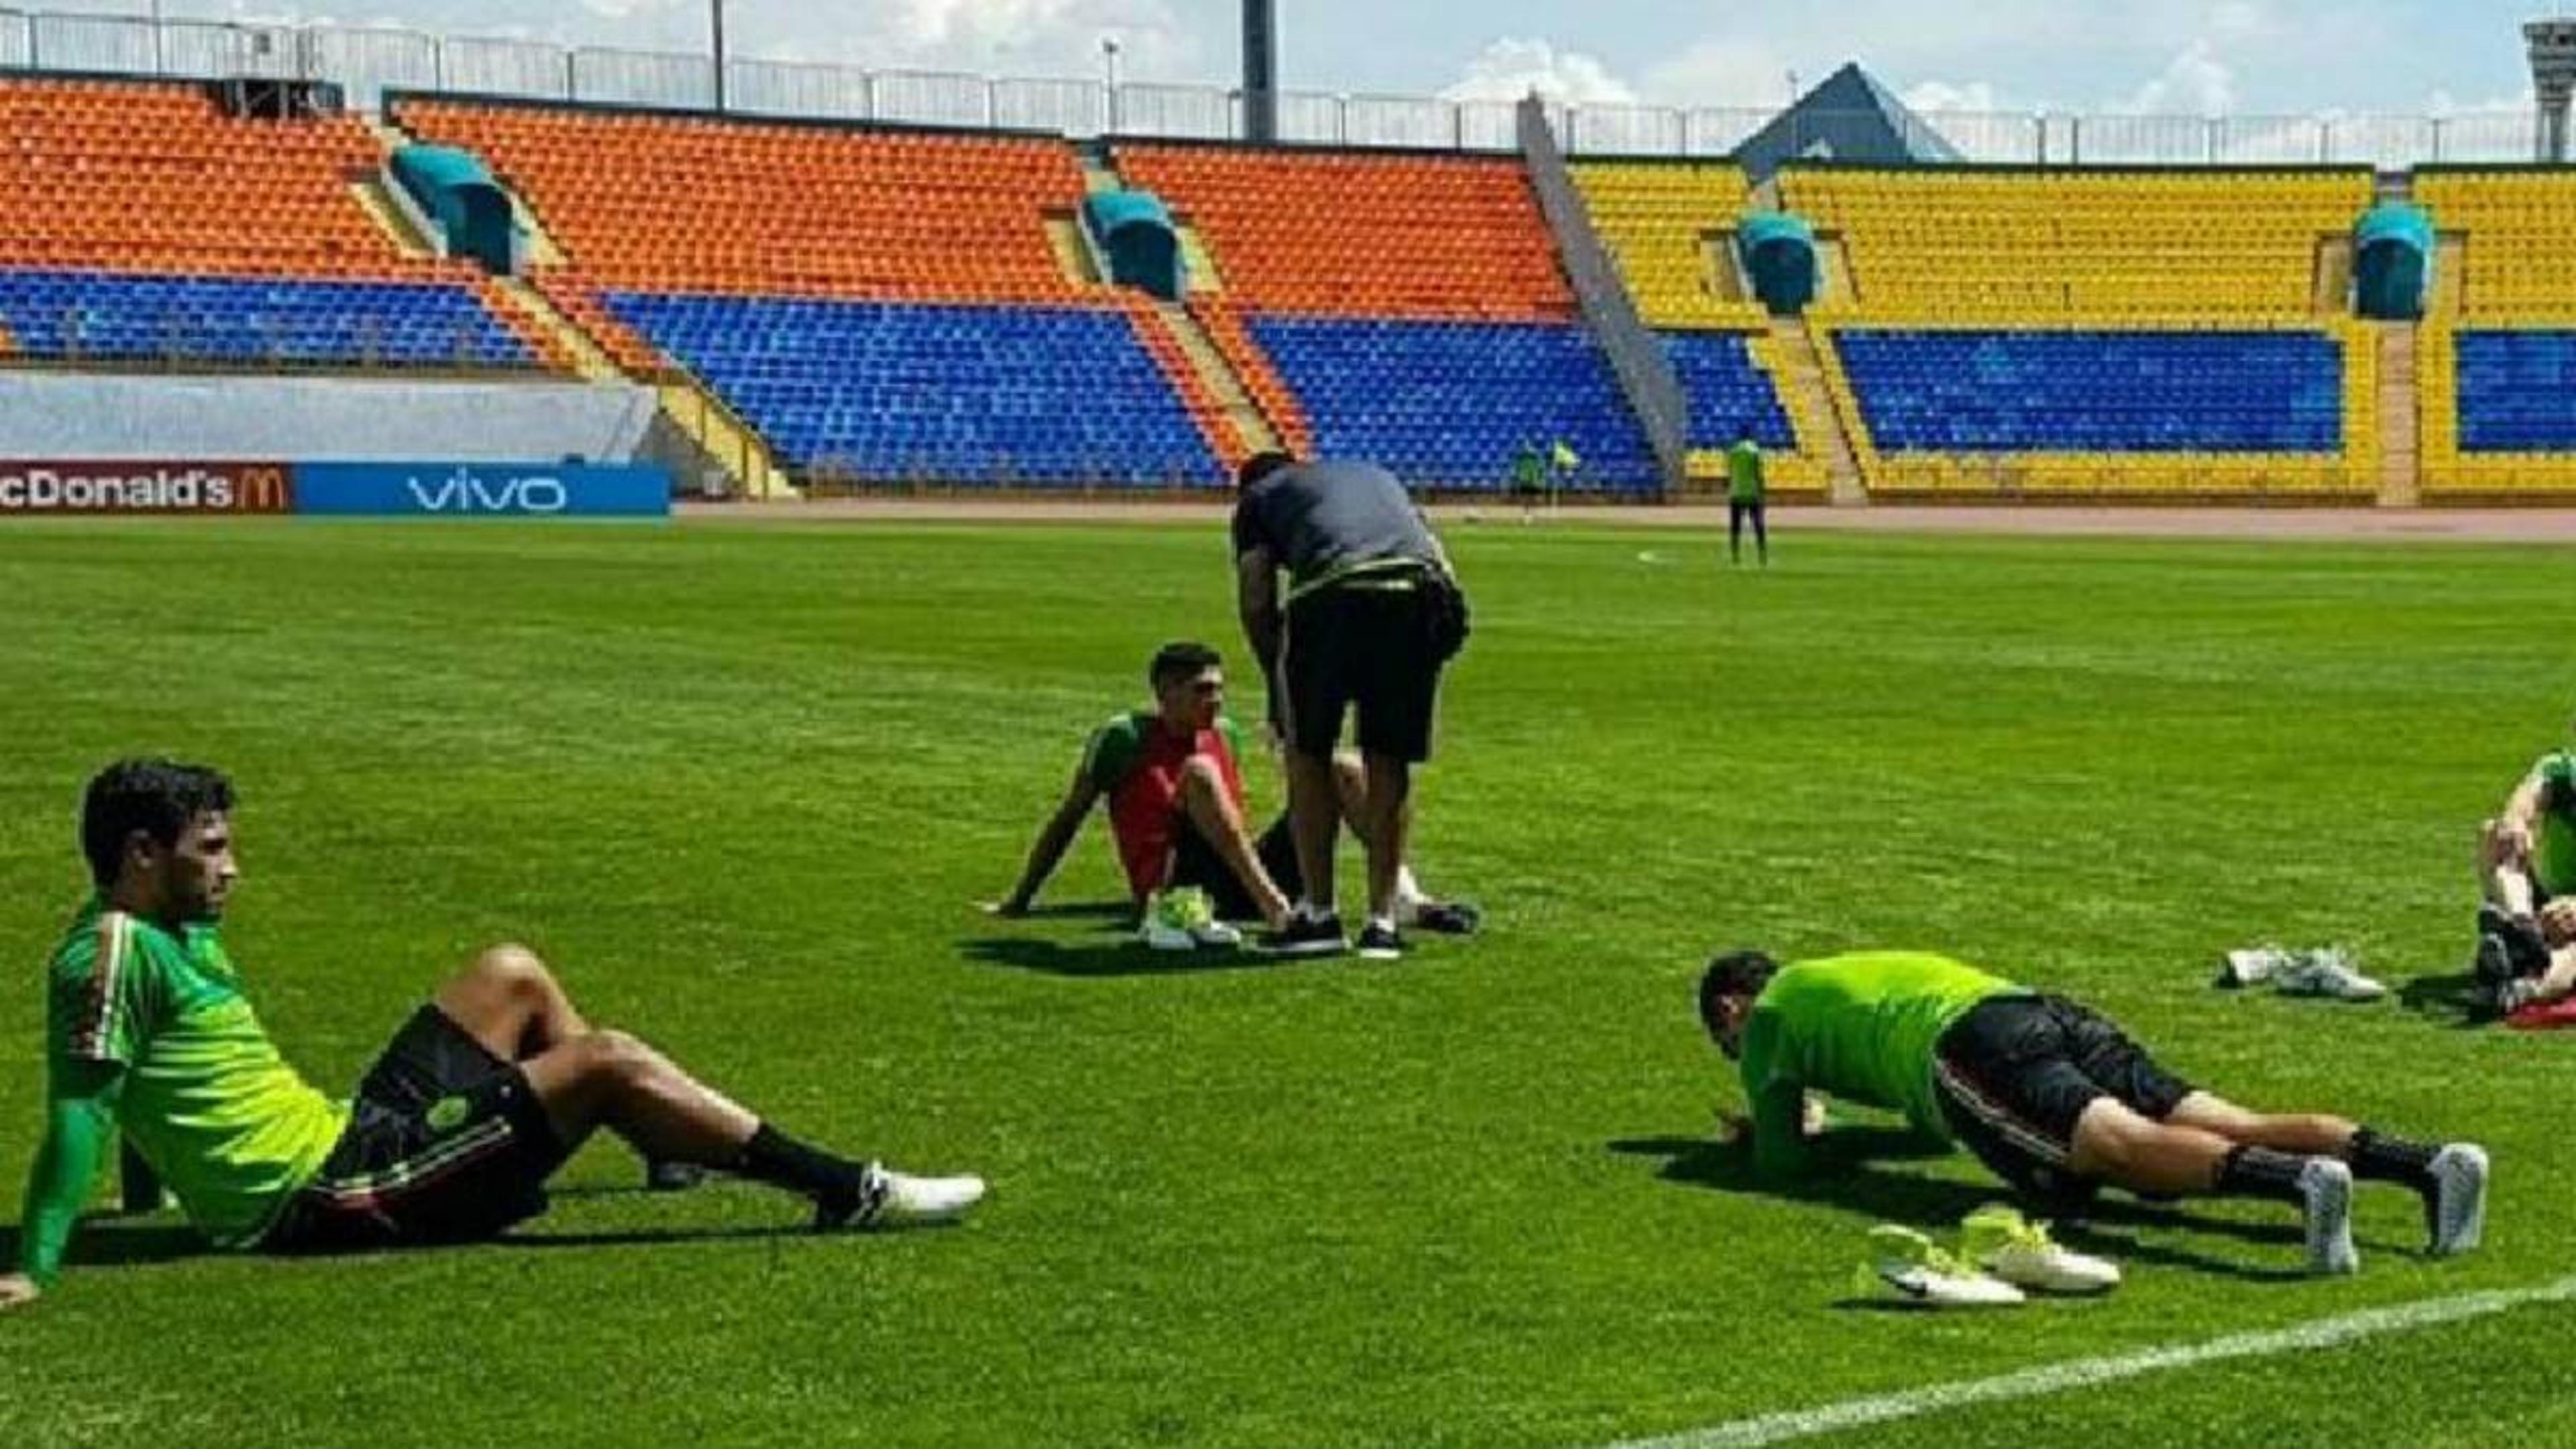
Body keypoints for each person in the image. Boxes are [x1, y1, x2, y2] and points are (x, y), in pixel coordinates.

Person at [1, 759, 983, 1311]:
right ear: (140, 855)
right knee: (608, 1060)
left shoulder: (169, 932)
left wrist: (151, 1192)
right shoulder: (113, 954)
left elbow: (137, 1074)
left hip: (344, 1132)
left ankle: (661, 1143)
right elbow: (83, 1107)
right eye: (211, 849)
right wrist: (33, 1264)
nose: (234, 870)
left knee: (508, 971)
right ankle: (847, 1190)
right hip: (327, 1195)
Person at [1695, 948, 2488, 1277]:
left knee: (2120, 1151)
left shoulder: (1767, 1019)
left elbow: (1783, 1166)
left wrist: (1769, 1136)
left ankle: (2303, 1186)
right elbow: (1920, 1131)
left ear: (1732, 1008)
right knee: (2228, 1119)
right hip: (2034, 1008)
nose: (1738, 1059)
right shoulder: (1837, 978)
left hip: (1971, 1048)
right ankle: (2429, 1165)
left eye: (1723, 1043)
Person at [991, 642, 1477, 949]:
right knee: (1199, 772)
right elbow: (1069, 817)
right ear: (1166, 693)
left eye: (1219, 689)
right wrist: (1020, 899)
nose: (1217, 701)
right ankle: (1281, 915)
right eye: (1203, 691)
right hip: (1177, 883)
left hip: (1235, 876)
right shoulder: (1125, 738)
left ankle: (1406, 899)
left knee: (1342, 766)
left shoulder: (1223, 732)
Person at [1232, 453, 1470, 961]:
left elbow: (1256, 599)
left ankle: (1320, 916)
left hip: (1330, 594)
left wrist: (1276, 685)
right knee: (1389, 756)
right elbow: (1436, 556)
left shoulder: (1257, 498)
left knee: (1308, 753)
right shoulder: (1378, 475)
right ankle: (1383, 923)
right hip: (1417, 591)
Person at [2472, 740, 2576, 1014]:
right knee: (2494, 835)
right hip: (2549, 908)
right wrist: (2516, 823)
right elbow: (2525, 799)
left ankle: (2518, 989)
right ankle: (2523, 930)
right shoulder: (2561, 772)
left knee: (2573, 955)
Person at [1725, 431, 1768, 567]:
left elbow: (1730, 471)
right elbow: (1758, 472)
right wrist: (1762, 490)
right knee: (1758, 526)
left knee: (1735, 527)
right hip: (1752, 492)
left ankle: (1735, 555)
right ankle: (1762, 555)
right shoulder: (1754, 451)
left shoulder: (1733, 451)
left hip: (1736, 492)